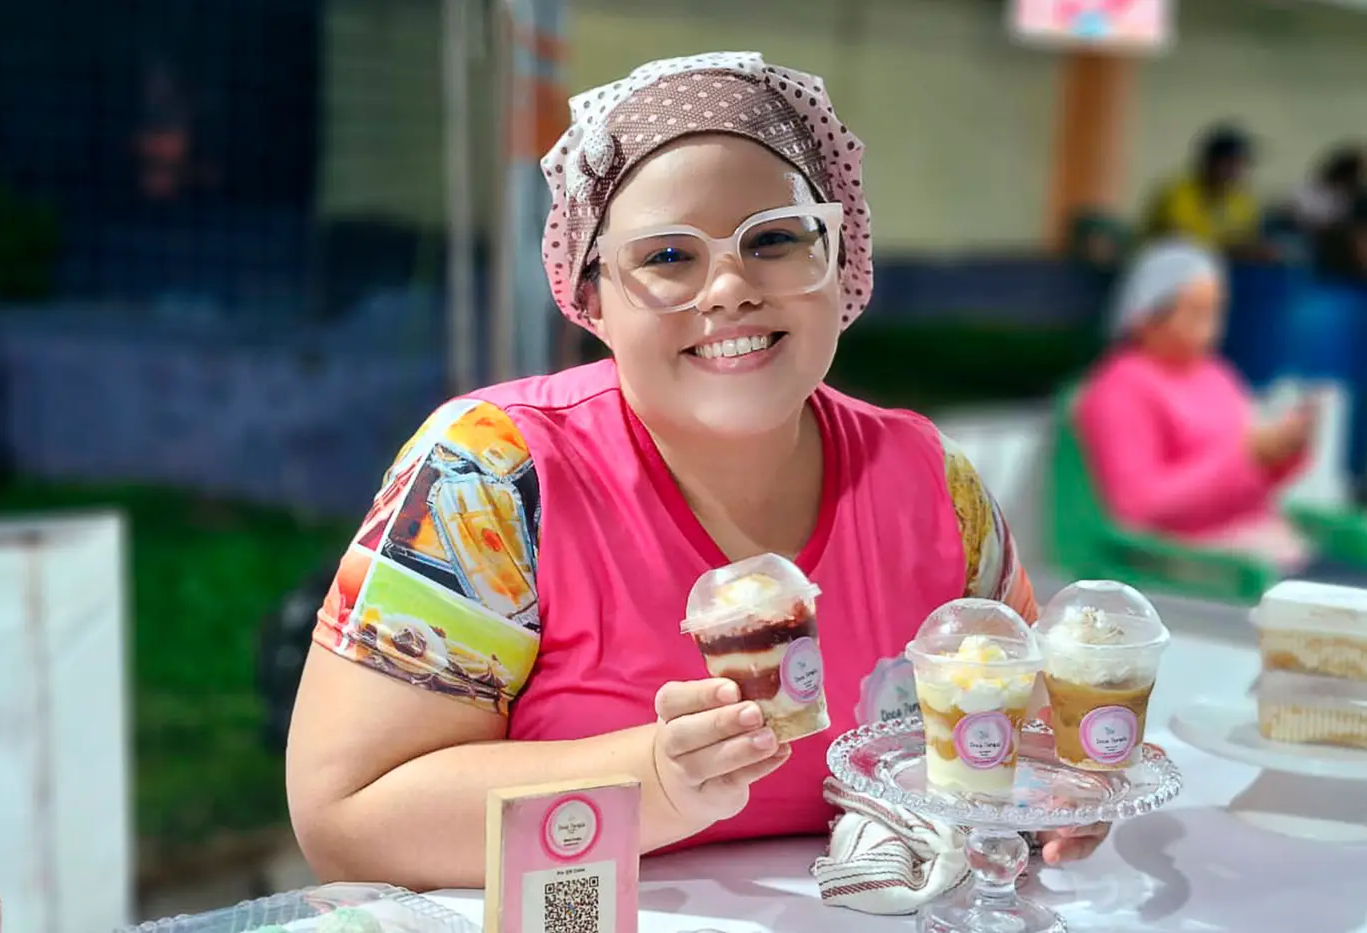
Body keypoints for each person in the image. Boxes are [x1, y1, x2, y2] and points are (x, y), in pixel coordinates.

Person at [285, 51, 1107, 890]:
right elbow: (346, 815)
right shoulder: (492, 478)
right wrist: (652, 780)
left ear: (841, 259)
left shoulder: (932, 485)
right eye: (668, 256)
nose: (729, 289)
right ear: (591, 296)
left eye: (776, 239)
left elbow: (1030, 740)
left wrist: (1057, 796)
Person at [1075, 239, 1315, 569]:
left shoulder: (1217, 375)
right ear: (1147, 316)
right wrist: (1248, 456)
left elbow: (1247, 472)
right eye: (1196, 313)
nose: (1210, 328)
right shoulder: (1119, 389)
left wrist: (1280, 453)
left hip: (1261, 544)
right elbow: (1139, 507)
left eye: (1216, 312)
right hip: (1193, 565)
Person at [1141, 124, 1269, 259]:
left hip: (1215, 266)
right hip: (1163, 263)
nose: (1235, 173)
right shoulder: (1177, 194)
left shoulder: (1243, 201)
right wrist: (1235, 248)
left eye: (1241, 165)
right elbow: (1183, 245)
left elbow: (1247, 240)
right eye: (1229, 164)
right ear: (1207, 164)